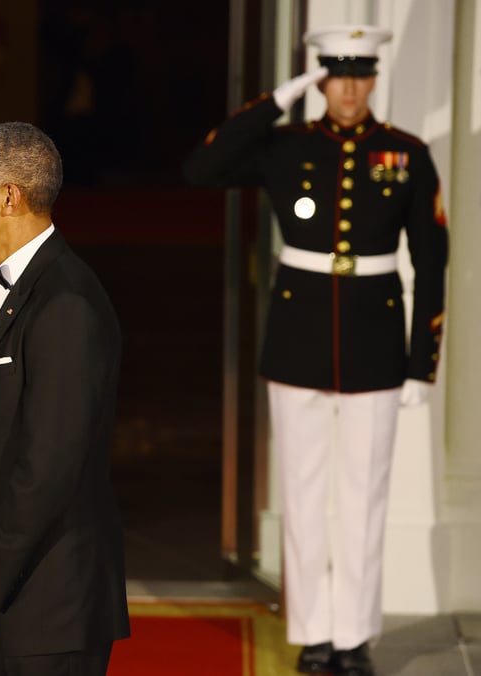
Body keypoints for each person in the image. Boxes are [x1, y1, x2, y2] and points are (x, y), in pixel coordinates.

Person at [183, 25, 448, 676]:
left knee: (364, 495)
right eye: (336, 75)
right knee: (302, 494)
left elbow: (432, 262)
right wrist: (277, 100)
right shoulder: (286, 145)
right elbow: (201, 168)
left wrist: (422, 361)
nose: (350, 88)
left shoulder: (406, 154)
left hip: (376, 342)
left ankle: (353, 637)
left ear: (375, 79)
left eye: (360, 75)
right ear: (321, 80)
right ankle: (313, 634)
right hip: (298, 339)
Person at [0, 121, 131, 675]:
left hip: (50, 607)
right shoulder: (7, 287)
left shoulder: (67, 305)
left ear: (9, 197)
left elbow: (49, 469)